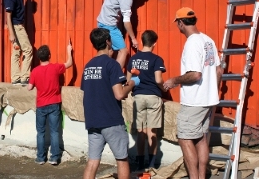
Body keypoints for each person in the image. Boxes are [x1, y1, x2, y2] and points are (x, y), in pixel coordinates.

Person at [163, 7, 223, 179]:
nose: (178, 27)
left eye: (177, 24)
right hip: (208, 100)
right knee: (201, 139)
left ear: (181, 23)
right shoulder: (208, 41)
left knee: (184, 138)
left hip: (194, 101)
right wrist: (212, 91)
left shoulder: (191, 43)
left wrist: (174, 81)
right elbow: (219, 72)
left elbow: (195, 74)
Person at [80, 28, 140, 179]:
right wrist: (132, 83)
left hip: (93, 121)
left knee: (93, 162)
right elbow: (119, 94)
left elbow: (92, 90)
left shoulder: (88, 66)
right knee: (122, 160)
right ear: (108, 42)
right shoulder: (112, 64)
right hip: (111, 120)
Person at [27, 41, 73, 165]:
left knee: (41, 132)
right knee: (54, 131)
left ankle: (41, 158)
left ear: (38, 58)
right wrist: (69, 50)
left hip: (41, 105)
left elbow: (29, 88)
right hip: (54, 104)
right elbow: (69, 63)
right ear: (49, 56)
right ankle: (54, 157)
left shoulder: (35, 71)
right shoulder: (55, 67)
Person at [126, 30, 166, 170]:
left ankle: (140, 163)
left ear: (142, 41)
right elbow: (158, 79)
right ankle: (152, 164)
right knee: (151, 131)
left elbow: (128, 80)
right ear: (154, 43)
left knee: (141, 131)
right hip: (153, 96)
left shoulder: (133, 59)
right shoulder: (157, 59)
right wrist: (164, 88)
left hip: (138, 97)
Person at [97, 0, 150, 69]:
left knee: (108, 51)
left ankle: (103, 76)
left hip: (101, 22)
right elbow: (126, 21)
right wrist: (133, 39)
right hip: (110, 25)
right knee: (123, 51)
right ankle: (115, 78)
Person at [4, 0, 36, 85]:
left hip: (17, 26)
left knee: (16, 51)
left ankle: (15, 78)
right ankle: (24, 77)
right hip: (16, 26)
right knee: (28, 50)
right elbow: (8, 16)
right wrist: (11, 34)